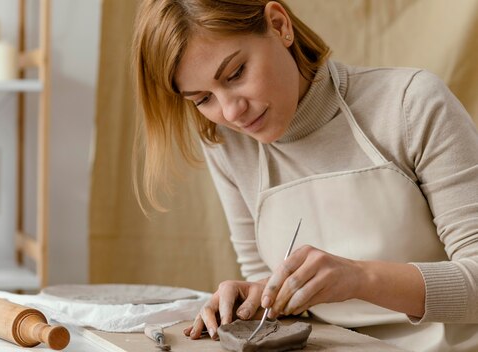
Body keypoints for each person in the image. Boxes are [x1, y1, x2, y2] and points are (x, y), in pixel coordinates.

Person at [131, 1, 478, 351]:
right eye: (203, 98)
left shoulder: (409, 104)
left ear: (279, 25)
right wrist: (258, 297)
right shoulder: (230, 145)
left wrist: (360, 278)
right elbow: (273, 303)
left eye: (236, 73)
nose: (231, 111)